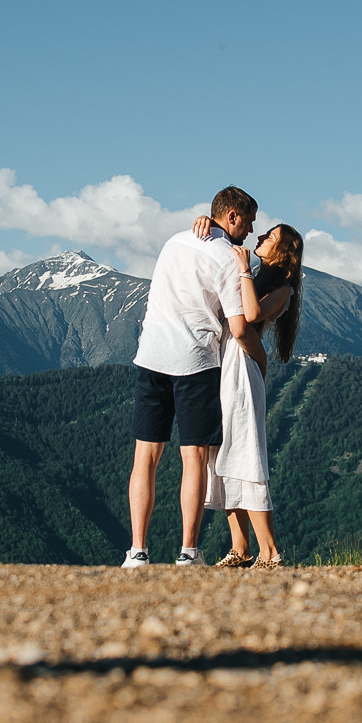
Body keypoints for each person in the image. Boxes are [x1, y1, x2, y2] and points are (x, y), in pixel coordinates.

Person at [124, 185, 257, 566]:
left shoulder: (174, 241)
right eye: (247, 222)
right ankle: (188, 552)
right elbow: (240, 324)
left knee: (144, 458)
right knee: (193, 458)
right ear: (231, 216)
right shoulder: (228, 259)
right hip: (195, 361)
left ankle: (137, 552)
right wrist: (258, 358)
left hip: (151, 354)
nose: (249, 231)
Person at [208, 223, 302, 568]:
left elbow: (250, 316)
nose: (260, 238)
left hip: (241, 367)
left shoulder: (284, 288)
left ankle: (270, 551)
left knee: (245, 454)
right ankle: (240, 548)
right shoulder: (262, 278)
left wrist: (245, 270)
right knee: (221, 454)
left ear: (284, 251)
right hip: (223, 363)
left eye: (269, 238)